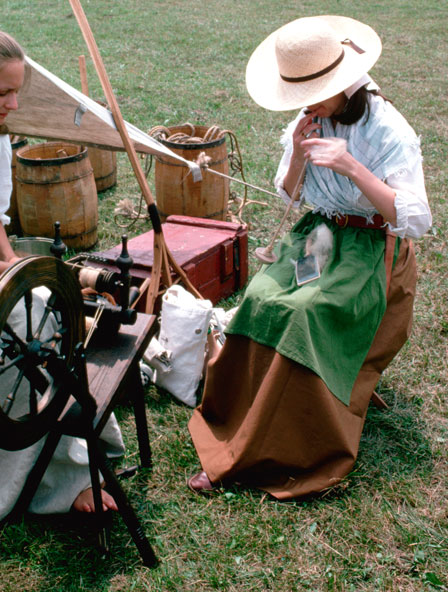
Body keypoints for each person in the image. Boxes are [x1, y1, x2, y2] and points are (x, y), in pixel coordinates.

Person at [187, 16, 432, 499]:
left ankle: (271, 447)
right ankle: (238, 415)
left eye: (315, 92)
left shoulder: (387, 129)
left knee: (303, 313)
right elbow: (288, 193)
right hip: (319, 237)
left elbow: (416, 220)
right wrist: (299, 153)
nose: (305, 105)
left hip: (371, 250)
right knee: (260, 295)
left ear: (343, 83)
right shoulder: (311, 117)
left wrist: (351, 166)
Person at [0, 28, 123, 525]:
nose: (13, 104)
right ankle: (58, 478)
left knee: (42, 310)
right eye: (2, 92)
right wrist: (23, 273)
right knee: (16, 332)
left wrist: (19, 269)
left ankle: (78, 446)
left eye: (17, 91)